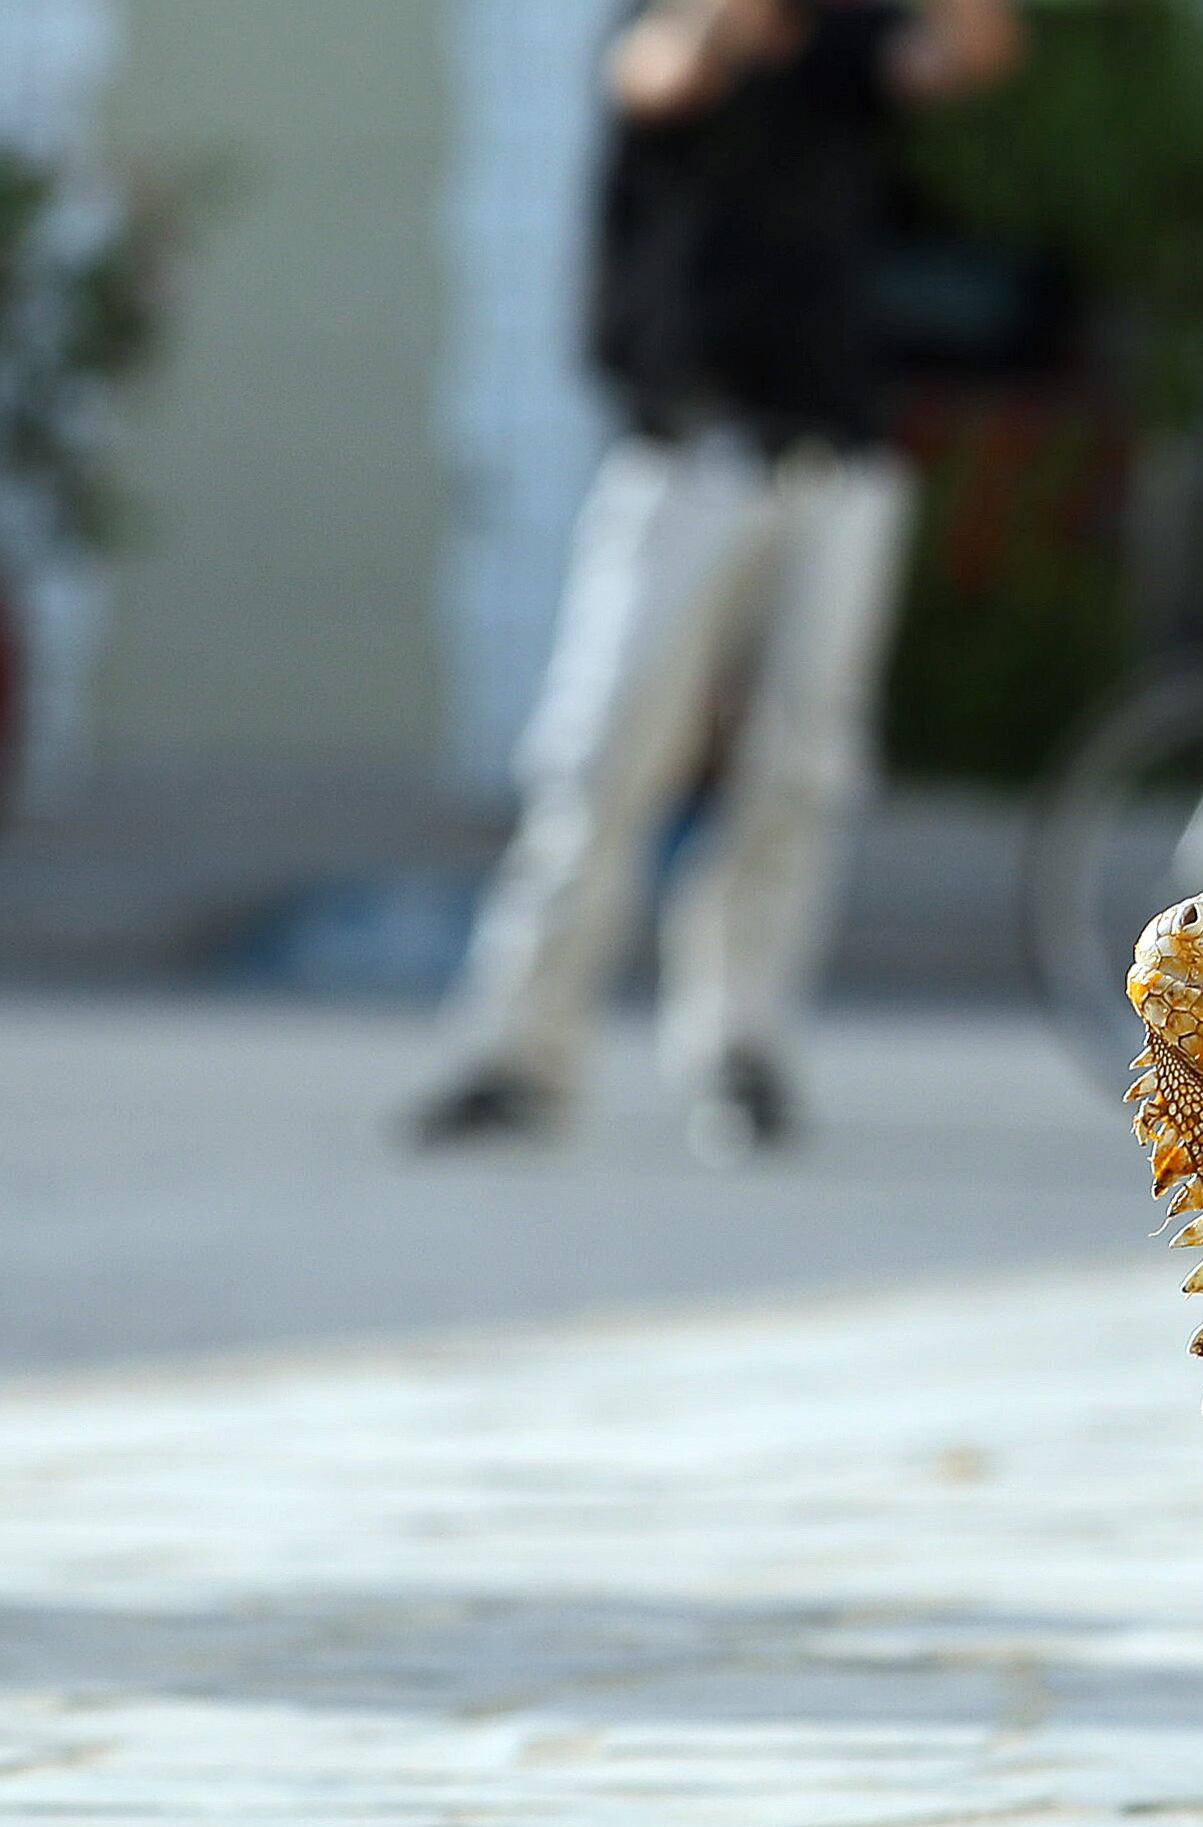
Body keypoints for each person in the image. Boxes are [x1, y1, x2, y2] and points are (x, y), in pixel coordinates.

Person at [409, 0, 1022, 1159]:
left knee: (800, 767)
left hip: (838, 471)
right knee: (604, 753)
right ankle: (519, 1049)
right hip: (686, 465)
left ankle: (739, 1046)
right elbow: (663, 72)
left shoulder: (848, 51)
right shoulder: (665, 31)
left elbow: (971, 54)